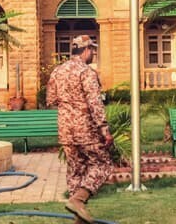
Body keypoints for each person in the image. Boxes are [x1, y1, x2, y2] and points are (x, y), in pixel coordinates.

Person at [47, 35, 113, 224]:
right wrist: (104, 129)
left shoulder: (57, 71)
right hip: (86, 130)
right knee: (103, 165)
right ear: (86, 50)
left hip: (66, 130)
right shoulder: (86, 72)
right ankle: (78, 199)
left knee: (75, 170)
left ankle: (79, 218)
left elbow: (51, 99)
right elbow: (95, 103)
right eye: (92, 49)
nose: (93, 53)